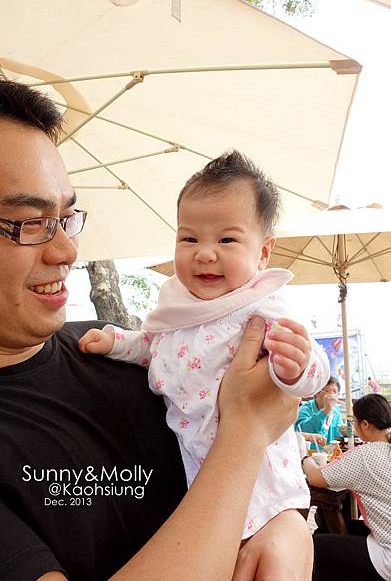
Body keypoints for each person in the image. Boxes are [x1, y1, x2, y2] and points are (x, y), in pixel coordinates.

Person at [0, 79, 312, 581]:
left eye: (65, 218)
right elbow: (238, 443)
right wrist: (245, 435)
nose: (66, 251)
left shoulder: (112, 351)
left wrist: (290, 525)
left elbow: (230, 479)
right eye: (28, 222)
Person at [79, 150, 330, 559]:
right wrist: (117, 344)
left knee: (272, 560)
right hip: (201, 473)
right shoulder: (174, 305)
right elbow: (154, 347)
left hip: (265, 480)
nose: (205, 253)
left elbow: (312, 371)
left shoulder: (259, 305)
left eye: (227, 239)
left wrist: (298, 365)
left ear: (263, 252)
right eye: (189, 238)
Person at [301, 394, 391, 581]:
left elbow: (315, 477)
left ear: (365, 424)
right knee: (332, 525)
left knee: (313, 545)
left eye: (355, 421)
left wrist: (305, 457)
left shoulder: (365, 455)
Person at [296, 377, 343, 448]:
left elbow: (339, 434)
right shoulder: (304, 410)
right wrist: (325, 411)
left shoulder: (336, 410)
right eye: (327, 391)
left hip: (329, 455)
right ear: (316, 393)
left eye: (334, 391)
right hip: (308, 455)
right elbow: (303, 431)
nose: (331, 395)